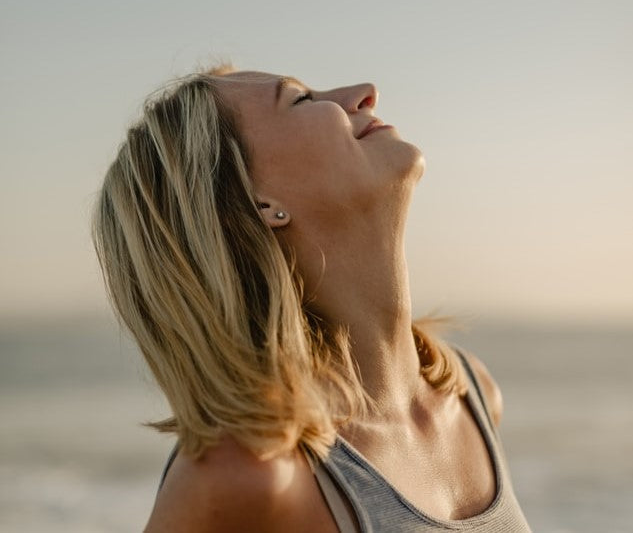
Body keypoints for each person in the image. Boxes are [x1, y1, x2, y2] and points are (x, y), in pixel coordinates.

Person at [93, 66, 531, 532]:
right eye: (300, 100)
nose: (365, 94)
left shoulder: (471, 392)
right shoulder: (249, 474)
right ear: (257, 201)